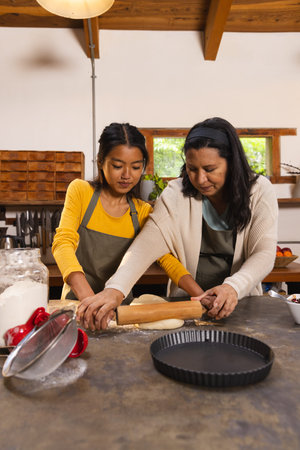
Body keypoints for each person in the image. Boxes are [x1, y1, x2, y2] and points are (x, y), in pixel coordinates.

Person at [77, 117, 278, 330]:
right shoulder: (176, 194)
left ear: (232, 163)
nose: (200, 179)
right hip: (185, 309)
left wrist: (233, 288)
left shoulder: (258, 191)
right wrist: (115, 289)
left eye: (210, 169)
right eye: (192, 169)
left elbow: (264, 254)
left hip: (241, 303)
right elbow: (146, 245)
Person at [52, 122, 190, 302]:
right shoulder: (81, 192)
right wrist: (89, 300)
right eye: (118, 166)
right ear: (101, 162)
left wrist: (199, 294)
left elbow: (166, 259)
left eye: (135, 167)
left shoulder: (141, 212)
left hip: (121, 309)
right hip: (78, 303)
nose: (127, 175)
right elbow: (63, 243)